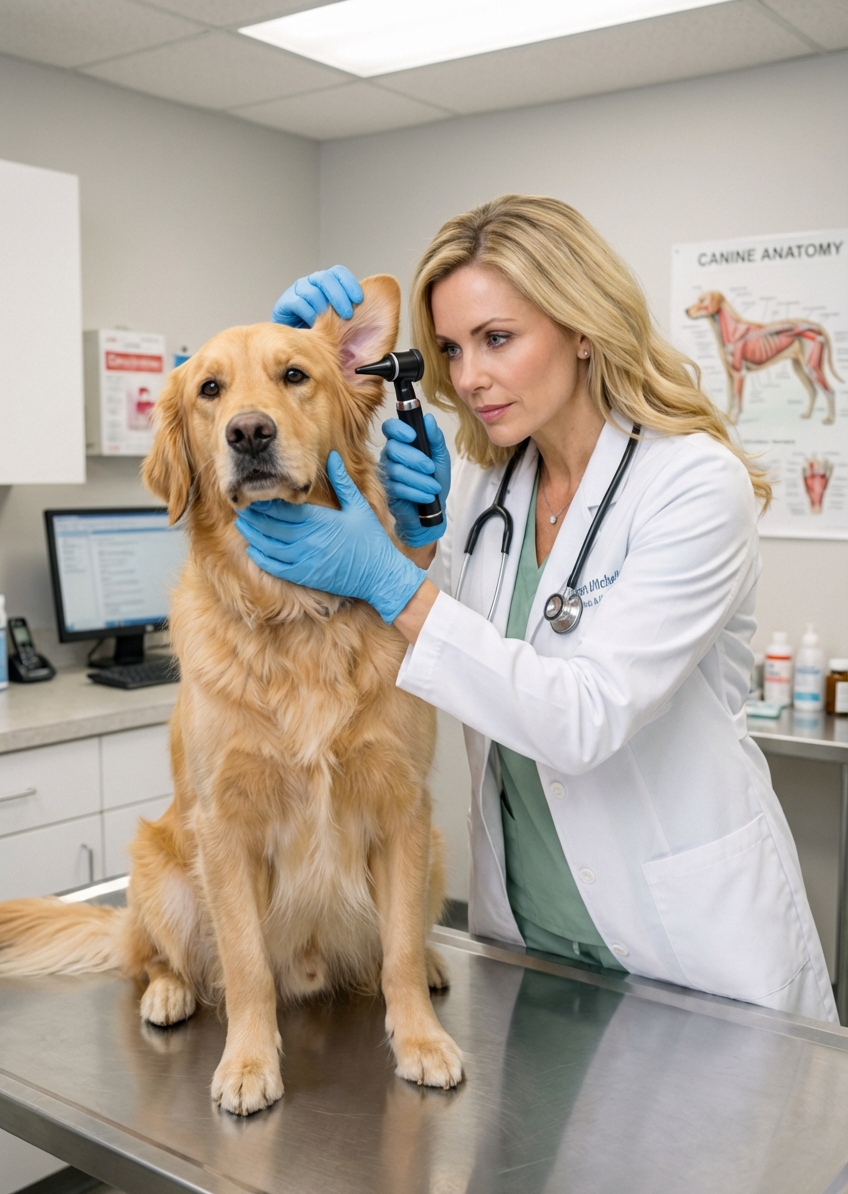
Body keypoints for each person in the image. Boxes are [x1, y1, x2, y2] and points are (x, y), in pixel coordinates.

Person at [236, 195, 837, 1024]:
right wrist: (283, 380)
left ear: (582, 326)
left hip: (690, 947)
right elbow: (422, 642)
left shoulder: (696, 485)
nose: (467, 376)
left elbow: (581, 717)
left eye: (497, 338)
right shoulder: (488, 488)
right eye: (449, 347)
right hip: (529, 933)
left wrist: (394, 579)